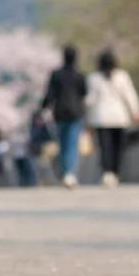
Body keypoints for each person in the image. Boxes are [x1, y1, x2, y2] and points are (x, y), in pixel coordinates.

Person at [85, 49, 139, 188]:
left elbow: (90, 100)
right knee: (118, 147)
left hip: (101, 118)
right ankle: (114, 173)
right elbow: (130, 95)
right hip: (119, 118)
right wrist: (136, 111)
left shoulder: (94, 78)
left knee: (105, 148)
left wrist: (87, 116)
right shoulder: (122, 77)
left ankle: (107, 173)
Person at [41, 46, 89, 189]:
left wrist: (43, 107)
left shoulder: (56, 75)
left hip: (60, 113)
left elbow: (49, 95)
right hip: (76, 113)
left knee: (63, 144)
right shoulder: (79, 75)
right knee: (73, 143)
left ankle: (66, 172)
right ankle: (70, 173)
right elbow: (85, 93)